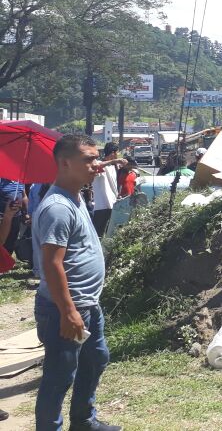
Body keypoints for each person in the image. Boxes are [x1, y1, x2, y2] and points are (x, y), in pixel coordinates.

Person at [33, 134, 121, 431]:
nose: (97, 165)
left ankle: (84, 422)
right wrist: (68, 311)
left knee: (95, 358)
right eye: (89, 159)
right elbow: (52, 263)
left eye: (98, 158)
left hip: (87, 305)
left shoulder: (77, 195)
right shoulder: (58, 207)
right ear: (66, 163)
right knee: (59, 376)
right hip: (66, 309)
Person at [89, 143, 125, 238]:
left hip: (113, 204)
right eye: (117, 153)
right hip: (102, 205)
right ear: (113, 153)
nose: (118, 156)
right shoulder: (101, 164)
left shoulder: (113, 167)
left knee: (110, 233)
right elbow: (98, 166)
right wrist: (115, 161)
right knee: (98, 234)